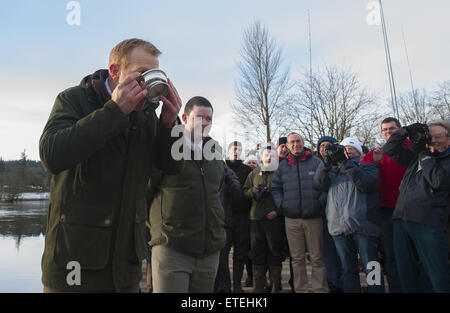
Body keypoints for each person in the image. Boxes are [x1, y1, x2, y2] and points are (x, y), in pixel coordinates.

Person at [39, 38, 183, 293]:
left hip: (126, 267)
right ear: (115, 72)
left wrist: (169, 124)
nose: (150, 81)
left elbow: (171, 167)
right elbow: (52, 155)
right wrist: (115, 111)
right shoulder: (74, 99)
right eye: (141, 74)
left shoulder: (147, 114)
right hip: (75, 264)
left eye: (155, 73)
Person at [149, 96, 226, 293]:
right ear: (184, 117)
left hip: (209, 251)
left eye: (209, 118)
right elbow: (147, 189)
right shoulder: (165, 147)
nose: (205, 123)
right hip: (172, 246)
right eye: (199, 117)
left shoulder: (215, 151)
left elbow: (216, 190)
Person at [383, 120, 450, 293]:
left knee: (437, 274)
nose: (433, 140)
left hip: (429, 221)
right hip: (401, 219)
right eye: (429, 136)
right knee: (406, 273)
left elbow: (438, 181)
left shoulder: (438, 158)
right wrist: (405, 131)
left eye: (438, 136)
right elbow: (389, 149)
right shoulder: (416, 156)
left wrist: (425, 154)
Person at [314, 137, 385, 293]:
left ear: (359, 152)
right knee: (348, 270)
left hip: (364, 227)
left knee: (371, 267)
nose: (348, 151)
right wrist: (326, 162)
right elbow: (319, 184)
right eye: (345, 148)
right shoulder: (332, 171)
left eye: (352, 148)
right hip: (339, 228)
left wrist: (345, 163)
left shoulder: (369, 167)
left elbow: (364, 183)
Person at [271, 132, 328, 293]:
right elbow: (275, 188)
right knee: (297, 259)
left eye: (298, 141)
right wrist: (282, 205)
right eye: (292, 142)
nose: (296, 144)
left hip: (313, 217)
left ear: (303, 143)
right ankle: (301, 289)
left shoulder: (317, 162)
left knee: (317, 257)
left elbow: (326, 185)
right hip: (292, 219)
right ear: (287, 146)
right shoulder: (282, 166)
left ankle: (320, 289)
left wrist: (320, 203)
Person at [361, 117, 409, 293]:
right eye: (385, 130)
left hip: (410, 211)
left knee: (413, 255)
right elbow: (362, 176)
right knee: (392, 255)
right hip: (386, 212)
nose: (389, 132)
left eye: (392, 129)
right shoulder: (376, 152)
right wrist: (375, 163)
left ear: (400, 130)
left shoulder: (412, 149)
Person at [243, 145, 285, 293]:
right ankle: (258, 287)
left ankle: (275, 286)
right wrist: (252, 191)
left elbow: (287, 195)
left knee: (275, 252)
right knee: (257, 252)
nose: (268, 158)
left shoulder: (280, 173)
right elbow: (244, 191)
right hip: (256, 218)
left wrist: (278, 211)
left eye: (272, 156)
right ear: (261, 157)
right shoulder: (254, 174)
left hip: (274, 219)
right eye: (266, 155)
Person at [316, 136, 343, 293]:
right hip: (325, 213)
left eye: (327, 145)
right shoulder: (318, 164)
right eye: (321, 146)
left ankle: (344, 282)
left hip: (342, 213)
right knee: (329, 252)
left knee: (343, 252)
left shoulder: (340, 162)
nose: (324, 148)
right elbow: (318, 185)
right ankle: (333, 282)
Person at [226, 141, 254, 292]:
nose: (236, 152)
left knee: (241, 252)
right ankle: (223, 285)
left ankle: (237, 283)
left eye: (239, 150)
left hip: (243, 216)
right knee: (223, 253)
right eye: (233, 150)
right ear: (228, 151)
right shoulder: (222, 168)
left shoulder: (248, 170)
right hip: (225, 216)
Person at [214, 163, 241, 293]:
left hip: (224, 223)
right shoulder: (203, 169)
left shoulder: (228, 173)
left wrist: (227, 177)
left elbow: (237, 192)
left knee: (222, 259)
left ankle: (225, 289)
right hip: (208, 223)